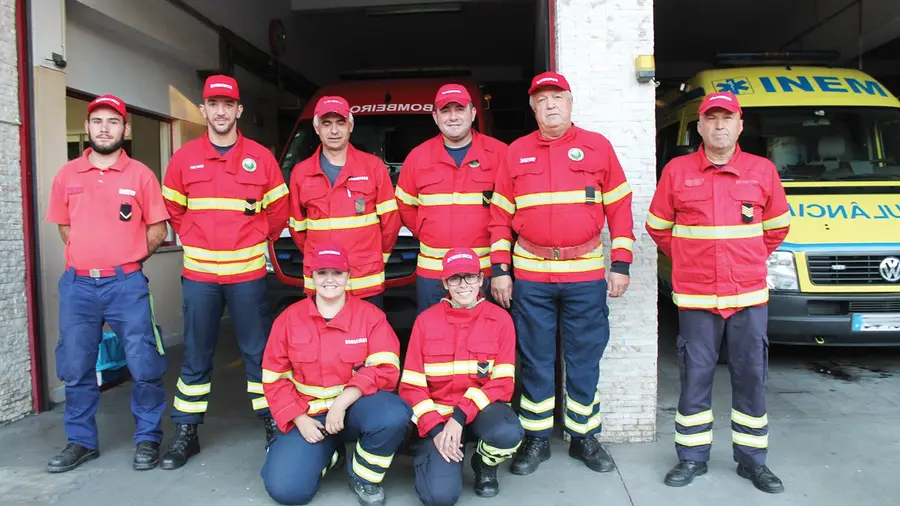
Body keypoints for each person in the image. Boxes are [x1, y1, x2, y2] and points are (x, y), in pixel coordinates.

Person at [488, 71, 635, 475]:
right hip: (531, 274)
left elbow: (620, 207)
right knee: (535, 358)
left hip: (584, 272)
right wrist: (500, 270)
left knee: (584, 357)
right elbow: (499, 215)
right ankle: (536, 438)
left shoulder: (597, 146)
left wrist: (620, 263)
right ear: (533, 107)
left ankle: (583, 437)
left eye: (557, 97)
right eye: (542, 99)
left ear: (570, 102)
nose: (550, 105)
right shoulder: (515, 151)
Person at [646, 91, 790, 494]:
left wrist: (747, 256)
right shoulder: (677, 171)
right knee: (695, 377)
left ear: (740, 124)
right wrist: (691, 257)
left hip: (747, 297)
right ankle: (692, 459)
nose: (719, 125)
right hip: (697, 298)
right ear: (700, 126)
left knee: (751, 377)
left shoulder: (762, 171)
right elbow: (658, 226)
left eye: (727, 118)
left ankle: (752, 462)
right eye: (711, 119)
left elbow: (777, 227)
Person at [160, 75, 290, 469]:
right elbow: (174, 211)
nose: (220, 111)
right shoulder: (184, 158)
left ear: (239, 111)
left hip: (248, 274)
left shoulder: (261, 158)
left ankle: (271, 422)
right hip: (199, 277)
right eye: (213, 104)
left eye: (227, 104)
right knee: (196, 355)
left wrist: (248, 239)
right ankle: (187, 431)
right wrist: (199, 239)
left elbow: (278, 213)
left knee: (258, 354)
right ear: (203, 110)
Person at [45, 94, 170, 472]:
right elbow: (66, 228)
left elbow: (158, 229)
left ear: (125, 129)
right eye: (97, 121)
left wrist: (125, 261)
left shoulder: (141, 175)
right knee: (76, 365)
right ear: (87, 127)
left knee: (144, 362)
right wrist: (91, 258)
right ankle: (81, 442)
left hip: (126, 285)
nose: (104, 128)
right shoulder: (67, 175)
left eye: (112, 122)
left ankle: (148, 438)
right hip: (78, 286)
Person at [260, 244, 412, 506]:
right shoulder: (288, 320)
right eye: (322, 273)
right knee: (286, 490)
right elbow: (275, 379)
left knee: (393, 413)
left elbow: (385, 369)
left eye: (337, 273)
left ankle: (363, 476)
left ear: (348, 276)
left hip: (354, 410)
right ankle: (330, 453)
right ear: (311, 277)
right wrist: (300, 419)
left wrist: (341, 404)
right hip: (310, 416)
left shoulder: (371, 317)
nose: (330, 279)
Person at [400, 248, 523, 505]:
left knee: (508, 432)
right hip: (439, 418)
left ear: (481, 279)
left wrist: (460, 415)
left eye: (469, 277)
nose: (463, 284)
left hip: (480, 412)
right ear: (445, 283)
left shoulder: (500, 319)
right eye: (455, 278)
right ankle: (435, 458)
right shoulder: (425, 321)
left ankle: (483, 465)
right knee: (439, 498)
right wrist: (435, 429)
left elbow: (502, 383)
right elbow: (411, 386)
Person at [395, 84, 508, 313]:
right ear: (435, 117)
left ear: (473, 113)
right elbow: (404, 205)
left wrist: (501, 270)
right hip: (434, 273)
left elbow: (509, 213)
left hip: (482, 271)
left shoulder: (500, 154)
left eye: (460, 109)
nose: (453, 116)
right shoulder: (417, 157)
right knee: (435, 341)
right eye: (446, 110)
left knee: (484, 342)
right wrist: (427, 230)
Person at [288, 96, 401, 309]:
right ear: (316, 127)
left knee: (368, 339)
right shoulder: (301, 173)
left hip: (365, 278)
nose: (334, 131)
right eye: (327, 123)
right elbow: (297, 228)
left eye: (340, 123)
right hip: (323, 280)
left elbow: (391, 222)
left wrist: (377, 257)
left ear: (351, 126)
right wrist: (318, 257)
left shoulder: (373, 167)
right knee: (323, 339)